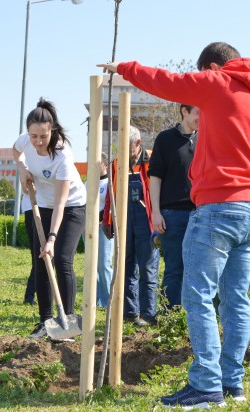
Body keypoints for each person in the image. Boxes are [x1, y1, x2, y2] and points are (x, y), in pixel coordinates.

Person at [99, 41, 250, 408]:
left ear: (214, 67)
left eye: (202, 72)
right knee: (236, 298)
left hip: (217, 208)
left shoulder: (217, 83)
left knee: (197, 294)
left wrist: (124, 68)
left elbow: (166, 81)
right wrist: (248, 178)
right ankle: (232, 384)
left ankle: (206, 384)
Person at [13, 97, 87, 340]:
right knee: (41, 261)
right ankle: (45, 321)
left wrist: (52, 238)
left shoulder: (62, 154)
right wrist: (22, 169)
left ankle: (67, 319)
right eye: (33, 136)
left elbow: (61, 203)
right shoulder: (27, 140)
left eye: (43, 136)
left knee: (62, 259)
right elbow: (15, 151)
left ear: (51, 131)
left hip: (71, 205)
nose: (37, 141)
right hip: (42, 205)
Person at [103, 126, 159, 326]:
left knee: (148, 267)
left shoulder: (152, 160)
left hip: (147, 221)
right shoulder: (116, 164)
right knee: (126, 267)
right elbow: (110, 194)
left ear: (138, 143)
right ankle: (130, 312)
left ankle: (149, 314)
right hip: (125, 220)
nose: (122, 150)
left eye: (126, 146)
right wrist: (107, 221)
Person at [149, 104, 198, 308]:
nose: (201, 117)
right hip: (173, 214)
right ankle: (171, 320)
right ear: (184, 111)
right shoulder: (165, 139)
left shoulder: (205, 139)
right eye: (198, 112)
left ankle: (195, 318)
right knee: (175, 268)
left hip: (201, 213)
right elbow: (155, 177)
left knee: (197, 270)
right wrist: (156, 212)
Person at [95, 152, 113, 308]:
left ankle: (108, 300)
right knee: (92, 265)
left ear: (105, 165)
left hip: (103, 227)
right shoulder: (89, 183)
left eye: (97, 162)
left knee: (103, 264)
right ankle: (95, 300)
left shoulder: (109, 183)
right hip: (88, 229)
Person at [21, 192, 37, 305]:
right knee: (38, 258)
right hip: (33, 210)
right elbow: (27, 189)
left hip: (37, 208)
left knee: (37, 259)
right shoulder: (27, 173)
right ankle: (29, 296)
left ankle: (30, 295)